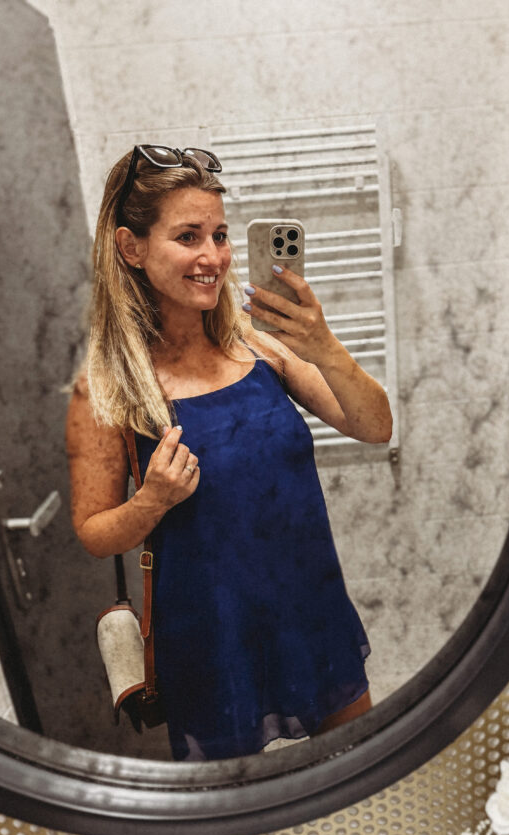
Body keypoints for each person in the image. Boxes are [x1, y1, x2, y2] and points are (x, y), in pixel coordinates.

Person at [66, 145, 392, 761]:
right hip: (211, 638)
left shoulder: (258, 346)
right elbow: (94, 532)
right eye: (188, 236)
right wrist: (153, 501)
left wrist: (323, 346)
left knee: (357, 776)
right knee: (238, 812)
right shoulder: (107, 389)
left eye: (219, 235)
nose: (213, 257)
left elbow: (376, 426)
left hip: (310, 607)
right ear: (131, 248)